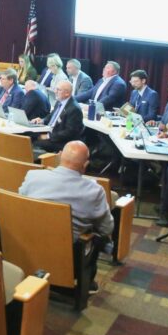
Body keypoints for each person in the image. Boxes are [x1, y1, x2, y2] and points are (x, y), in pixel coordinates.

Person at [19, 140, 113, 292]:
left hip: (27, 248)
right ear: (85, 165)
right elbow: (107, 228)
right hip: (69, 260)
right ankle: (87, 284)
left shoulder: (33, 176)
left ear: (60, 156)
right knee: (99, 237)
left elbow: (19, 204)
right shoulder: (94, 191)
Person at [31, 80, 84, 154]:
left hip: (61, 141)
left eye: (58, 90)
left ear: (67, 93)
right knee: (29, 135)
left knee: (34, 143)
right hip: (52, 132)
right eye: (56, 89)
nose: (55, 91)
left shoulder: (74, 109)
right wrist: (42, 120)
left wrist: (48, 136)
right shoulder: (60, 101)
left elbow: (69, 132)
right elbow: (51, 115)